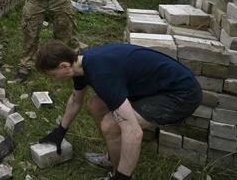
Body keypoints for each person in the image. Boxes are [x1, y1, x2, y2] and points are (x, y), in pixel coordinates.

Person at [36, 40, 202, 180]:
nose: (54, 79)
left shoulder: (102, 74)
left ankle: (120, 173)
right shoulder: (81, 63)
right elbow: (75, 101)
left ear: (64, 66)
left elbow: (134, 133)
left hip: (180, 94)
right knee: (95, 104)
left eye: (53, 75)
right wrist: (61, 131)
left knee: (111, 125)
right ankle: (113, 157)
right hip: (154, 87)